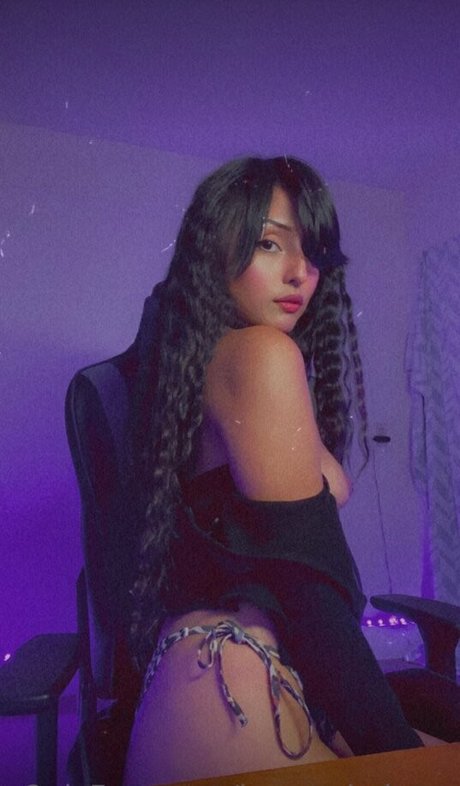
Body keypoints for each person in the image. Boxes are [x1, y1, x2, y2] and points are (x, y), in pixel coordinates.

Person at [123, 156, 423, 785]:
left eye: (312, 253)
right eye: (269, 244)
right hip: (235, 700)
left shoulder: (199, 361)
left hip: (203, 689)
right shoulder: (261, 354)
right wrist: (403, 759)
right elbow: (310, 598)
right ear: (216, 250)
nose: (299, 273)